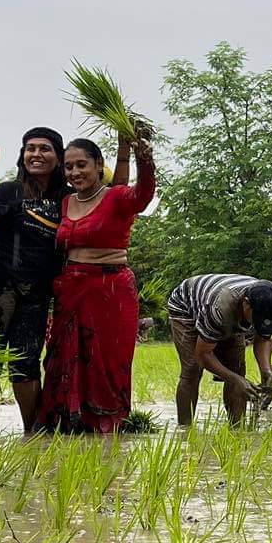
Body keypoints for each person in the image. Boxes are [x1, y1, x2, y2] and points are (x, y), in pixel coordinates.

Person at [37, 128, 157, 435]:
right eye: (69, 166)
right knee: (62, 360)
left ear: (98, 164)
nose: (75, 172)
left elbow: (142, 195)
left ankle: (107, 429)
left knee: (108, 363)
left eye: (82, 165)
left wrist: (144, 161)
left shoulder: (116, 197)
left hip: (111, 290)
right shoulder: (65, 203)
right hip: (71, 291)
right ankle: (66, 427)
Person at [0, 129, 65, 433]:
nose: (36, 154)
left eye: (45, 149)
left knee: (26, 365)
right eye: (29, 148)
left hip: (35, 293)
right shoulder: (10, 191)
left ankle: (32, 437)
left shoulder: (67, 198)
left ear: (58, 158)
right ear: (22, 156)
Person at [165, 274, 272, 426]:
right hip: (185, 305)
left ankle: (237, 428)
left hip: (226, 310)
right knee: (192, 370)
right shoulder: (220, 308)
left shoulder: (269, 301)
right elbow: (203, 355)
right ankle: (185, 428)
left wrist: (266, 371)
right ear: (246, 304)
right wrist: (235, 380)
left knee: (237, 369)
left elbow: (263, 338)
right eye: (257, 318)